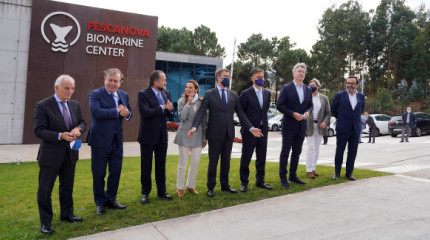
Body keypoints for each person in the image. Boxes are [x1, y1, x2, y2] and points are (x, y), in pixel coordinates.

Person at [188, 68, 259, 197]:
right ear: (218, 78)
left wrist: (250, 127)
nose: (228, 78)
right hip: (215, 134)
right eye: (225, 76)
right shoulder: (210, 94)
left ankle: (225, 185)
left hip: (229, 133)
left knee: (226, 161)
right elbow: (201, 112)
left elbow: (241, 113)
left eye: (229, 76)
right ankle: (211, 187)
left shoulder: (233, 94)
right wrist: (194, 127)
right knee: (213, 162)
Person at [33, 75, 86, 234]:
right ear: (56, 88)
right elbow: (39, 130)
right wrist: (59, 136)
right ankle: (46, 223)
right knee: (45, 189)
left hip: (69, 154)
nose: (70, 91)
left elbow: (82, 122)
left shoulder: (75, 105)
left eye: (72, 88)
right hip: (50, 156)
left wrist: (78, 129)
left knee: (67, 187)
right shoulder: (42, 106)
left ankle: (67, 214)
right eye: (66, 88)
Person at [88, 68, 132, 215]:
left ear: (120, 83)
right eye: (110, 80)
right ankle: (100, 203)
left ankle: (111, 200)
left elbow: (128, 112)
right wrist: (116, 111)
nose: (112, 83)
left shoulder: (124, 95)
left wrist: (127, 114)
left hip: (117, 141)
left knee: (115, 172)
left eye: (116, 81)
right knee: (99, 173)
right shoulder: (95, 94)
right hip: (100, 141)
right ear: (105, 80)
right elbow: (96, 112)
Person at [138, 70, 174, 204]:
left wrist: (170, 109)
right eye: (163, 79)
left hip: (162, 136)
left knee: (161, 165)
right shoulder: (143, 94)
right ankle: (145, 193)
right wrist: (162, 107)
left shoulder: (166, 93)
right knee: (146, 165)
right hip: (147, 136)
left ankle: (162, 192)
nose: (165, 82)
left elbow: (170, 115)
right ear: (155, 81)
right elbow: (145, 112)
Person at [276, 63, 313, 189]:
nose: (302, 73)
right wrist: (292, 114)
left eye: (303, 72)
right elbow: (279, 105)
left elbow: (310, 105)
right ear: (293, 73)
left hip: (302, 126)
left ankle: (293, 175)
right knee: (285, 152)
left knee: (297, 152)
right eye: (299, 71)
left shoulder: (308, 89)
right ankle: (283, 178)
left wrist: (308, 112)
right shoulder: (286, 88)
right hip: (289, 125)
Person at [238, 68, 272, 192]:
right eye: (258, 77)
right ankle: (244, 183)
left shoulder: (267, 93)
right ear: (252, 78)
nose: (261, 79)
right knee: (246, 157)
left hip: (263, 131)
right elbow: (241, 112)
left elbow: (264, 111)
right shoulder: (245, 94)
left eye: (262, 77)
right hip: (250, 131)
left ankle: (260, 181)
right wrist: (250, 127)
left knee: (262, 157)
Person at [173, 80, 207, 197]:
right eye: (186, 87)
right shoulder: (181, 101)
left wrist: (204, 138)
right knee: (182, 163)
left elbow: (203, 121)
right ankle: (180, 187)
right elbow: (182, 117)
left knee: (195, 163)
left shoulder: (201, 102)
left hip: (197, 136)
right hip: (184, 135)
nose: (187, 89)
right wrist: (188, 103)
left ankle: (190, 186)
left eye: (190, 88)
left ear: (196, 89)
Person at [331, 76, 365, 181]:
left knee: (352, 152)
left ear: (357, 85)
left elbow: (361, 111)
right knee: (339, 151)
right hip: (342, 128)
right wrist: (341, 118)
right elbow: (333, 110)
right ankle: (337, 173)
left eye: (352, 83)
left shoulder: (361, 96)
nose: (349, 85)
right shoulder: (339, 95)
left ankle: (349, 173)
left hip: (355, 129)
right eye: (348, 83)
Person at [305, 78, 331, 179]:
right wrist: (303, 127)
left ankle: (313, 167)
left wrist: (325, 122)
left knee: (317, 148)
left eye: (314, 85)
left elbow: (328, 113)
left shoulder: (324, 98)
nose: (312, 87)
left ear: (318, 87)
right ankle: (308, 170)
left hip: (320, 126)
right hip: (309, 126)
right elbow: (303, 112)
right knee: (311, 148)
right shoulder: (306, 97)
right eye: (310, 85)